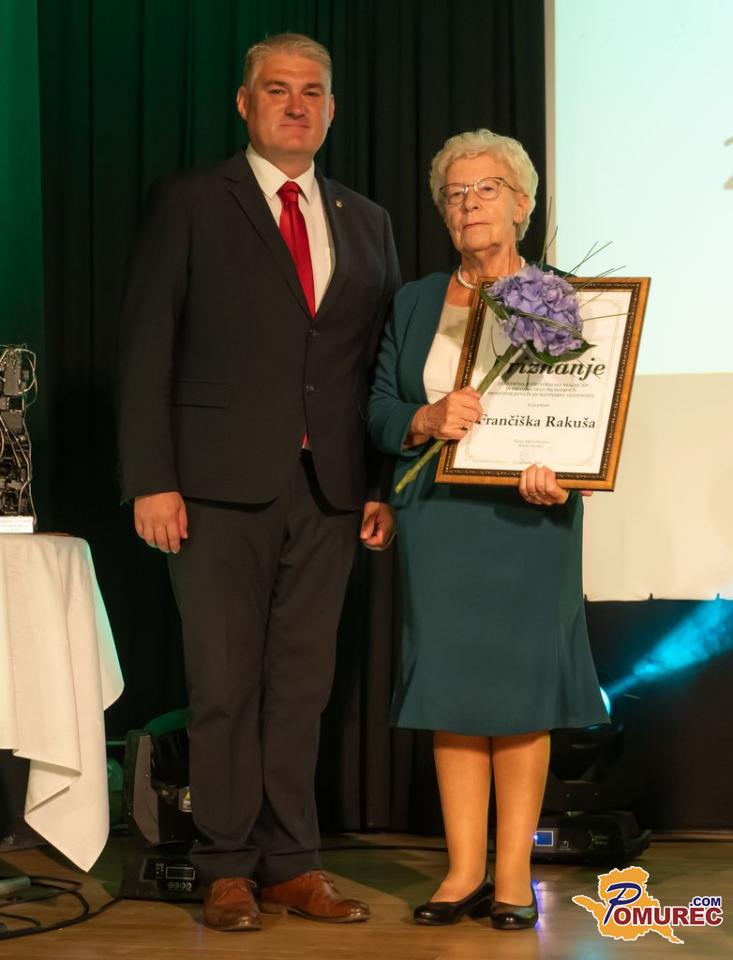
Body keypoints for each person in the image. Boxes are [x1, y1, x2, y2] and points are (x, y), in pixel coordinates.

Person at [117, 33, 400, 932]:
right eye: (276, 89)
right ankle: (226, 867)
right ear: (244, 104)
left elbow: (377, 365)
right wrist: (150, 478)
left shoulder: (365, 219)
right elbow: (147, 345)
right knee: (224, 684)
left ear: (331, 107)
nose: (295, 104)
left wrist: (379, 484)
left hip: (329, 492)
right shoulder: (191, 200)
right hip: (210, 488)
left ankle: (292, 865)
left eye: (311, 90)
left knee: (302, 689)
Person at [368, 129, 609, 930]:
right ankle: (462, 870)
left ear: (522, 204)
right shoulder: (414, 300)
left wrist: (561, 470)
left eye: (486, 189)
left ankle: (511, 875)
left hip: (529, 520)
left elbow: (592, 413)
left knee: (520, 695)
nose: (469, 204)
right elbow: (379, 408)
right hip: (439, 521)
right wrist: (424, 418)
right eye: (454, 193)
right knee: (452, 690)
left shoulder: (566, 298)